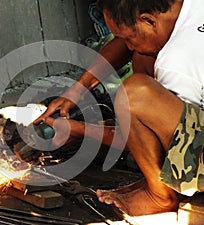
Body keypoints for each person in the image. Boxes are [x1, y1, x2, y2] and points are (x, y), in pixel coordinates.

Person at [34, 0, 204, 217]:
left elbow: (139, 139)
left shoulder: (176, 61)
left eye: (128, 38)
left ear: (148, 20)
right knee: (143, 53)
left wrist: (80, 130)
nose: (129, 46)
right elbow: (127, 43)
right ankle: (156, 179)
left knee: (134, 94)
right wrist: (76, 90)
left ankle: (161, 196)